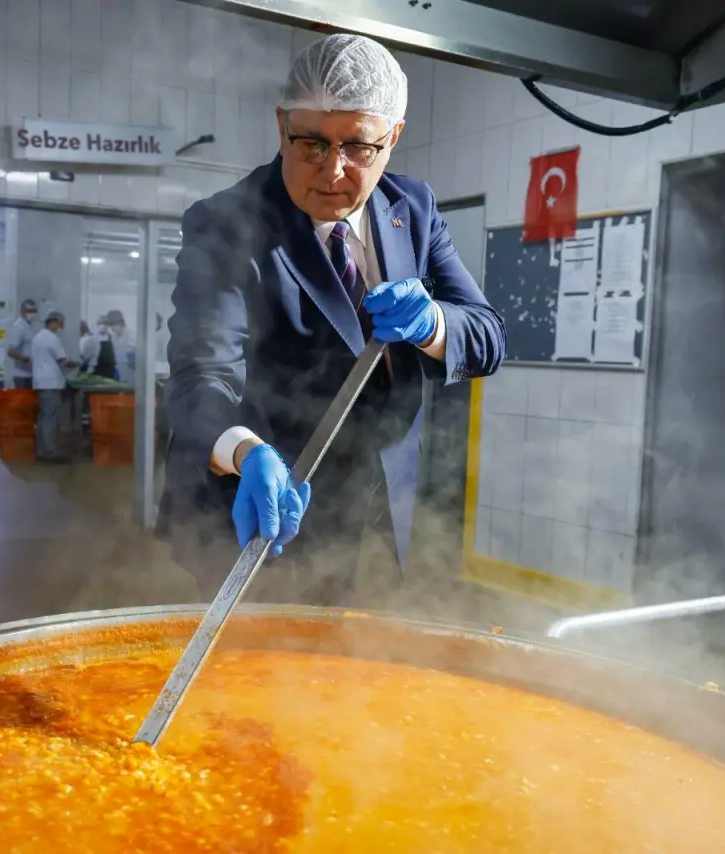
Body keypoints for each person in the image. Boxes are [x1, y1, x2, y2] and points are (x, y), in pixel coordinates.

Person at [157, 34, 505, 606]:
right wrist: (243, 449)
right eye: (311, 143)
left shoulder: (413, 209)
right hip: (262, 510)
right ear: (282, 125)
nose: (333, 170)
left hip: (381, 509)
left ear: (392, 137)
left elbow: (487, 336)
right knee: (261, 658)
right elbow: (200, 373)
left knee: (364, 655)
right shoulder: (227, 223)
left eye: (359, 147)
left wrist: (433, 324)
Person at [31, 310, 77, 462]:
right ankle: (50, 452)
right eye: (60, 324)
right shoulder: (52, 338)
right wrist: (76, 363)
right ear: (54, 322)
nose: (61, 327)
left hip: (40, 382)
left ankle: (42, 450)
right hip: (51, 382)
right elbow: (63, 360)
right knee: (50, 417)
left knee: (44, 417)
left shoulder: (37, 337)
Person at [3, 299, 38, 389]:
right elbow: (11, 351)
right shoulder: (18, 327)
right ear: (22, 311)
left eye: (34, 311)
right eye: (29, 311)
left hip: (31, 373)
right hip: (21, 375)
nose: (32, 313)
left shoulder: (31, 327)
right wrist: (26, 359)